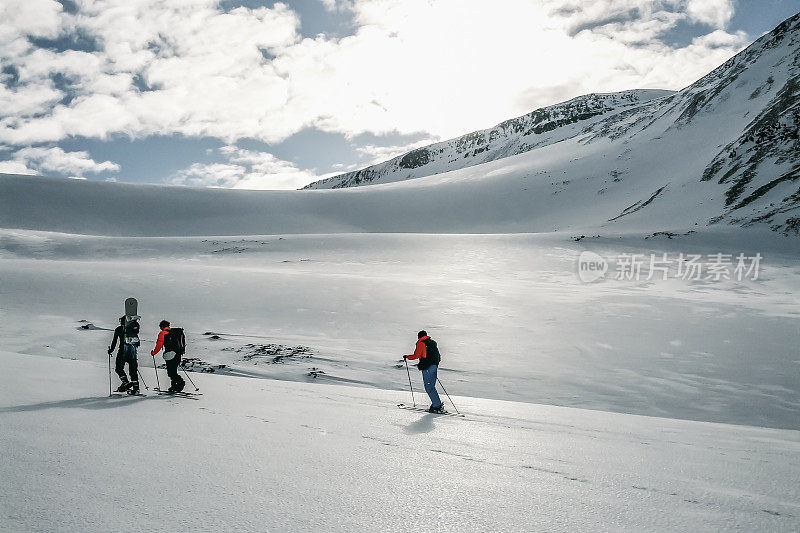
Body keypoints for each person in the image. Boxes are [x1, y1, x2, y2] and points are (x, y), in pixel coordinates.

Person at [404, 330, 444, 413]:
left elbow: (416, 355)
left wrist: (407, 357)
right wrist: (434, 365)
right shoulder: (432, 343)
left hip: (427, 367)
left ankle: (437, 405)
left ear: (419, 336)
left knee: (428, 387)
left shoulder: (421, 343)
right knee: (431, 386)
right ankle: (437, 404)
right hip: (434, 366)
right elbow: (438, 356)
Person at [151, 320, 185, 393]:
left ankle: (180, 383)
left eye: (160, 327)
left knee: (171, 372)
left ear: (162, 326)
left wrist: (154, 353)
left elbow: (159, 345)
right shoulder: (175, 332)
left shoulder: (163, 333)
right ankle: (174, 386)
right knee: (173, 370)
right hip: (178, 353)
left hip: (170, 355)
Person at [109, 316, 140, 394]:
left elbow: (114, 341)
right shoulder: (134, 327)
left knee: (119, 368)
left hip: (122, 351)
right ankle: (136, 388)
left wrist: (111, 350)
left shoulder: (119, 329)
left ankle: (125, 382)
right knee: (133, 370)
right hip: (132, 350)